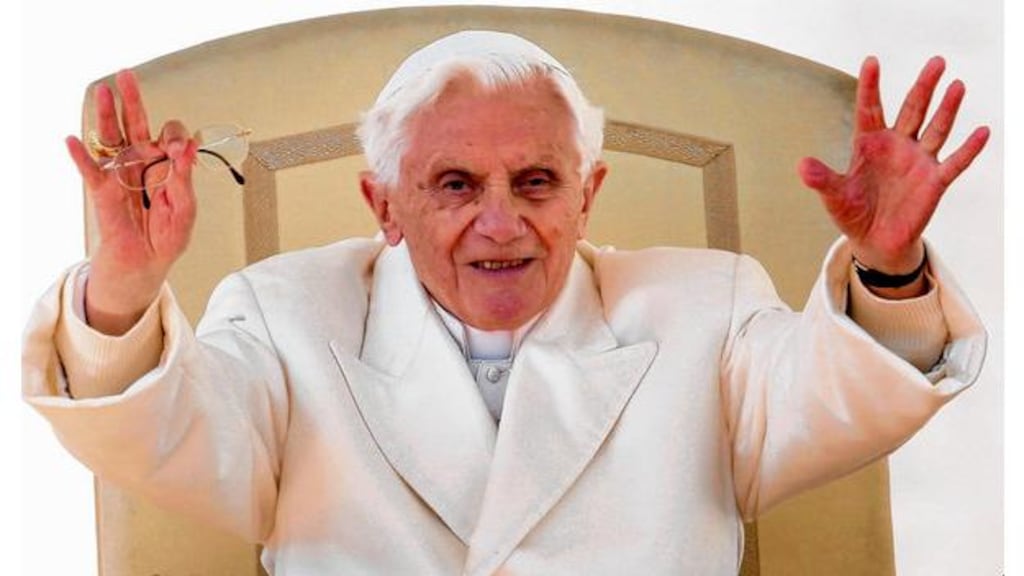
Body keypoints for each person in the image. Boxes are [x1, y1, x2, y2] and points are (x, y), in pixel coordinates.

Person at [22, 30, 988, 574]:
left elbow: (836, 399)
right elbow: (172, 437)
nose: (501, 224)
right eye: (454, 185)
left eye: (535, 182)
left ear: (587, 195)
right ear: (384, 206)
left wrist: (888, 264)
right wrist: (123, 289)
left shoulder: (702, 307)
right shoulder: (288, 315)